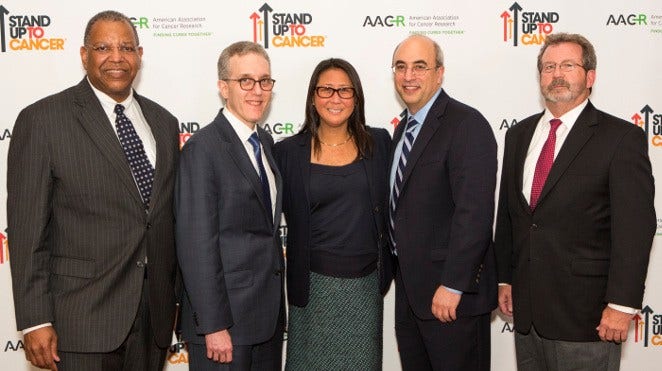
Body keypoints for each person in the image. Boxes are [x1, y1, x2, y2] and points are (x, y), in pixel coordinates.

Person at [7, 10, 179, 371]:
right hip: (81, 319)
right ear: (84, 56)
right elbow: (26, 232)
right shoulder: (43, 120)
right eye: (103, 47)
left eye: (126, 47)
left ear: (139, 55)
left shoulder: (163, 123)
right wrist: (35, 319)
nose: (117, 57)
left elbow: (160, 219)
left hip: (153, 319)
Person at [495, 32, 655, 370]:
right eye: (549, 67)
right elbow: (510, 215)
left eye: (568, 65)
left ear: (590, 76)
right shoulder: (518, 135)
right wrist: (506, 278)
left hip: (587, 316)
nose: (557, 75)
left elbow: (635, 229)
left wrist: (622, 305)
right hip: (528, 315)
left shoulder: (621, 138)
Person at [274, 58, 393, 370]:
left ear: (356, 98)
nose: (335, 98)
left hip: (364, 288)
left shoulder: (379, 143)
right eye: (326, 89)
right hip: (311, 289)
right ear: (313, 96)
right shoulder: (286, 153)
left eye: (344, 90)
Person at [388, 34, 497, 371]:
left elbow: (475, 213)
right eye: (401, 67)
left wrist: (453, 284)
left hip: (450, 298)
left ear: (440, 73)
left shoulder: (466, 124)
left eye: (420, 67)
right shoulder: (403, 129)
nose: (409, 76)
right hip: (411, 294)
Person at [175, 41, 284, 371]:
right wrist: (213, 324)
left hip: (265, 321)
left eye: (265, 81)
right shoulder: (202, 149)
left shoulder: (263, 141)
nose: (258, 91)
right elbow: (196, 244)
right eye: (245, 81)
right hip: (224, 328)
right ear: (224, 87)